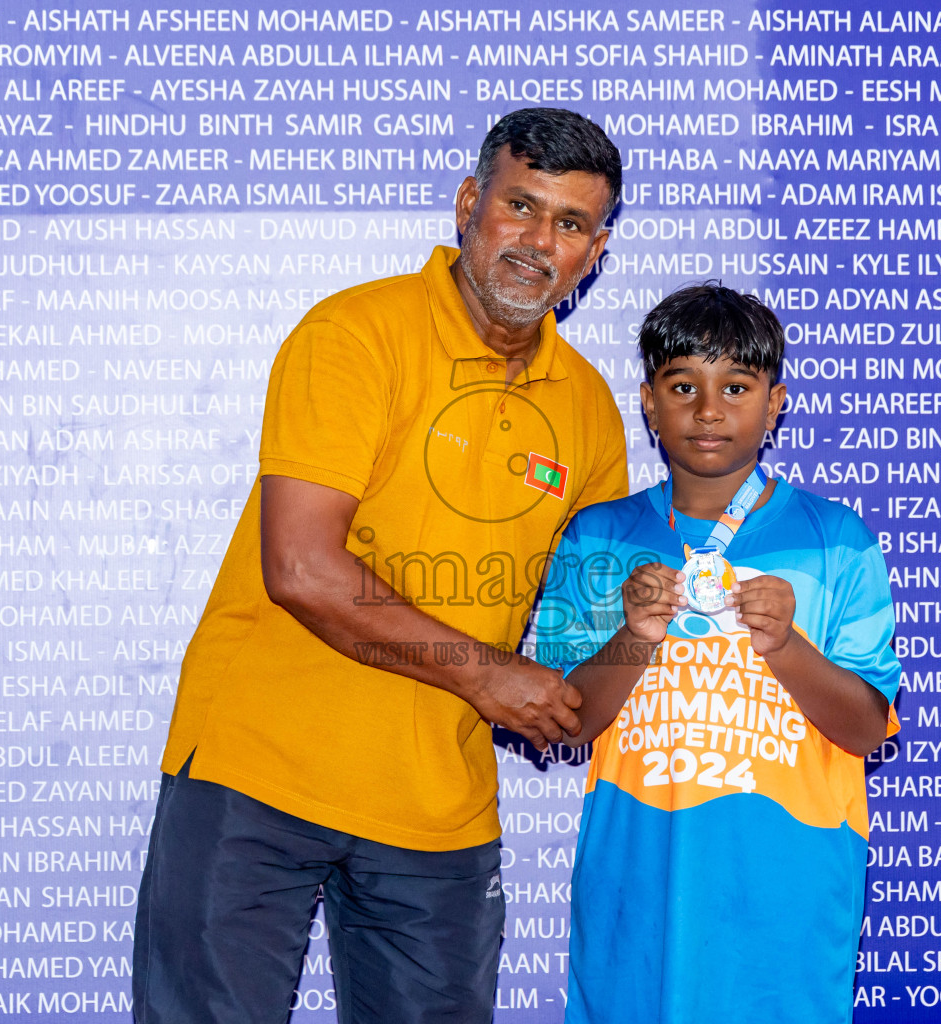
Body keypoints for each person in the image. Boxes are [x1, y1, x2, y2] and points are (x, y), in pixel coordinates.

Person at [132, 108, 627, 1024]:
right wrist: (489, 677)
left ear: (594, 253)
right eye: (520, 206)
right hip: (259, 774)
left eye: (568, 224)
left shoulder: (592, 410)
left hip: (439, 809)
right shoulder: (356, 333)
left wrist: (664, 625)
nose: (536, 242)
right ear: (469, 203)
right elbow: (304, 570)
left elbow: (579, 639)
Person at [532, 284, 900, 1023]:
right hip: (637, 881)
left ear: (775, 404)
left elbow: (866, 728)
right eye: (682, 386)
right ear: (647, 401)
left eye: (736, 387)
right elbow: (567, 721)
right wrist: (632, 637)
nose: (708, 409)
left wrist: (788, 647)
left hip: (783, 890)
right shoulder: (598, 537)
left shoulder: (837, 538)